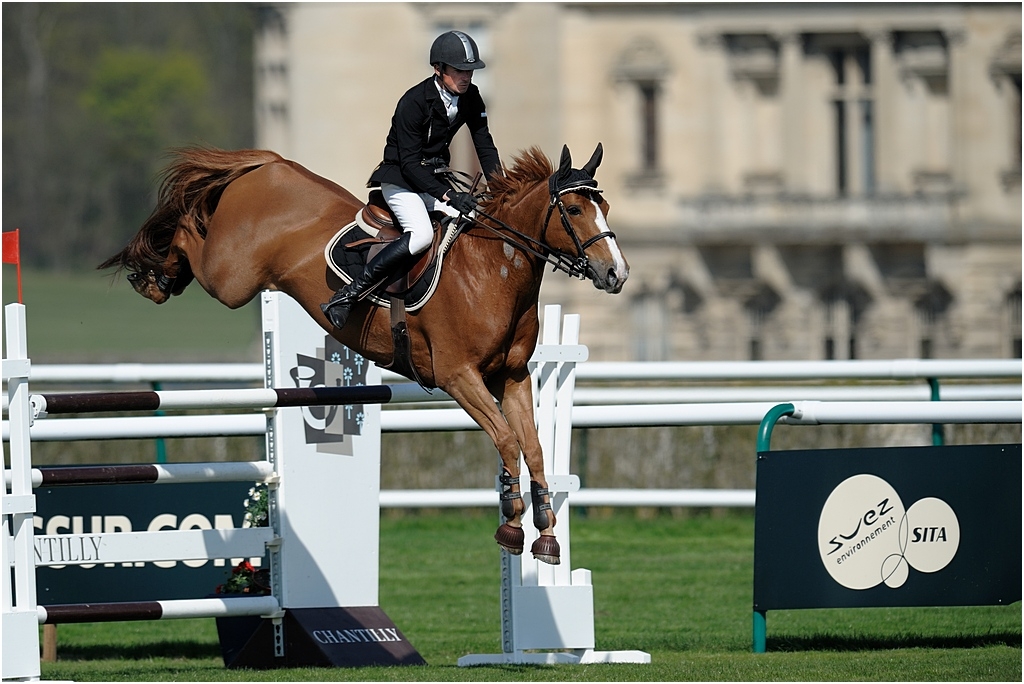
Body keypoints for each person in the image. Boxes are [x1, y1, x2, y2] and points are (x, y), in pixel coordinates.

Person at [321, 29, 503, 329]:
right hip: (401, 181)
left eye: (469, 71)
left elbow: (484, 144)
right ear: (438, 68)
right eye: (459, 71)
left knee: (472, 223)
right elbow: (409, 163)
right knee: (421, 235)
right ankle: (347, 296)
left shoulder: (471, 97)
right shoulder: (414, 102)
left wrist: (502, 188)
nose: (466, 77)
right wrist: (448, 195)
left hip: (433, 180)